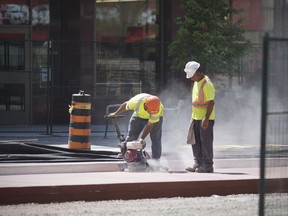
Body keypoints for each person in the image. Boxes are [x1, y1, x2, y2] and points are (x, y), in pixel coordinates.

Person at [108, 93, 164, 159]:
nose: (152, 112)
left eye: (153, 111)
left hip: (157, 118)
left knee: (155, 138)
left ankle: (156, 160)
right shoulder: (136, 102)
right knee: (131, 136)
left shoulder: (157, 109)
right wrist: (116, 113)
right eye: (151, 111)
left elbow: (149, 125)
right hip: (138, 116)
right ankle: (126, 155)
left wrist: (141, 139)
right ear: (146, 105)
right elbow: (126, 105)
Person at [184, 61, 216, 173]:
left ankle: (207, 165)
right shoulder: (197, 82)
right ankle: (198, 163)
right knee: (195, 141)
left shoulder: (206, 84)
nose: (191, 78)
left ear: (197, 73)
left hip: (205, 119)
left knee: (206, 142)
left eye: (192, 76)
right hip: (196, 117)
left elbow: (211, 103)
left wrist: (206, 118)